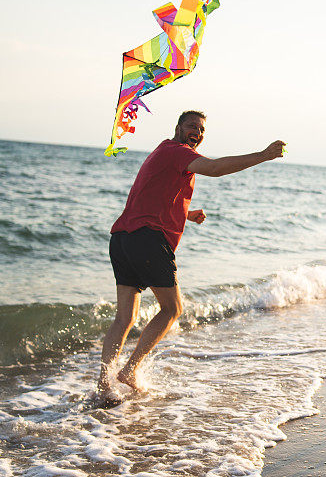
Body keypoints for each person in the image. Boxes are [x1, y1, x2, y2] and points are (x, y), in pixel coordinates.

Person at [96, 110, 285, 407]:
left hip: (122, 239)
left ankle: (104, 383)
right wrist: (263, 155)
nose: (196, 132)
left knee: (125, 318)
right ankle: (129, 372)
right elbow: (215, 168)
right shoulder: (177, 151)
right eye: (191, 126)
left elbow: (153, 195)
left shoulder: (163, 151)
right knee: (172, 308)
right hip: (147, 240)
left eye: (201, 129)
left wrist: (187, 213)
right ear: (178, 128)